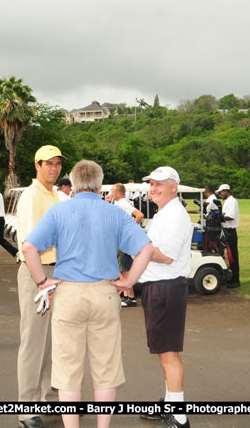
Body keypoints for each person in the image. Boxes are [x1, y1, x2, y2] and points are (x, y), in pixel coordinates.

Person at [22, 160, 155, 428]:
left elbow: (28, 248)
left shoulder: (59, 211)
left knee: (68, 371)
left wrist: (41, 282)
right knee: (105, 369)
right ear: (98, 183)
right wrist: (129, 278)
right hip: (104, 294)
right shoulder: (114, 213)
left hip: (68, 294)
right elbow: (147, 249)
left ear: (73, 182)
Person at [138, 166, 193, 428]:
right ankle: (171, 404)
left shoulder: (175, 215)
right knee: (164, 352)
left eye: (160, 184)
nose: (154, 188)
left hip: (166, 287)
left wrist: (136, 245)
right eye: (152, 184)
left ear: (174, 187)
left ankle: (179, 417)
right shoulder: (165, 213)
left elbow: (165, 255)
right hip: (159, 286)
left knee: (168, 353)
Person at [15, 144, 64, 428]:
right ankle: (26, 409)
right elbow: (29, 244)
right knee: (34, 342)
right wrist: (42, 281)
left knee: (53, 340)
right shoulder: (32, 196)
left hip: (55, 271)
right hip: (37, 273)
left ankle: (51, 397)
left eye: (57, 163)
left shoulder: (56, 195)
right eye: (49, 164)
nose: (54, 168)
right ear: (37, 165)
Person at [110, 182, 144, 307]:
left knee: (124, 268)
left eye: (112, 191)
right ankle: (127, 295)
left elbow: (139, 215)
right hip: (119, 239)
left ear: (118, 192)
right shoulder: (118, 203)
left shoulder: (123, 203)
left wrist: (130, 230)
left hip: (122, 240)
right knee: (122, 268)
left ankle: (131, 298)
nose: (111, 194)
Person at [217, 184, 240, 288]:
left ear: (226, 191)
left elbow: (231, 216)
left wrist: (219, 218)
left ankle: (236, 280)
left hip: (230, 231)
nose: (220, 194)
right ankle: (229, 278)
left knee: (233, 256)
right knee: (227, 256)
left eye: (221, 192)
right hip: (226, 230)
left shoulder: (233, 201)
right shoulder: (227, 201)